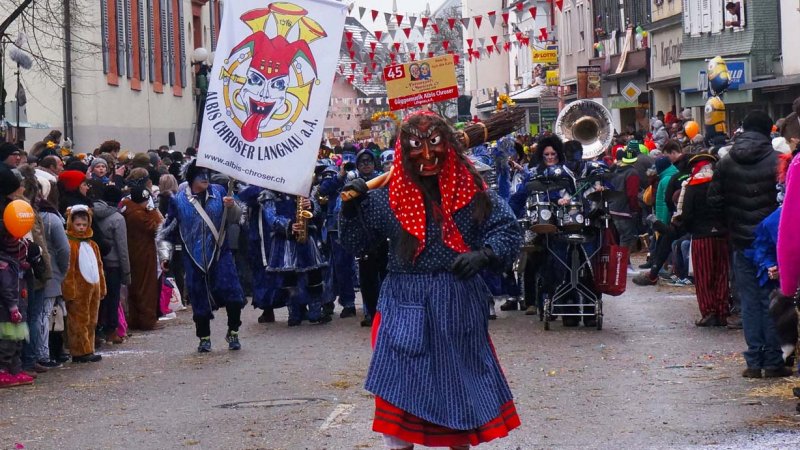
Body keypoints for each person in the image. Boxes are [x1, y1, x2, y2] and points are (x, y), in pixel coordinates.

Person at [340, 111, 521, 448]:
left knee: (459, 386)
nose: (426, 155)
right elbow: (357, 244)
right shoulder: (387, 197)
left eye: (434, 144)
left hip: (457, 302)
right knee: (397, 385)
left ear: (448, 146)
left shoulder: (471, 190)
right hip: (402, 303)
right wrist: (351, 210)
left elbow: (507, 229)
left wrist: (484, 254)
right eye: (416, 146)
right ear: (403, 151)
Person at [708, 110, 789, 378]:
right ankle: (774, 361)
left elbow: (714, 201)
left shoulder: (726, 162)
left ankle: (754, 361)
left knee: (750, 302)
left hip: (741, 242)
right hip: (772, 246)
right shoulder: (778, 161)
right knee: (773, 299)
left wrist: (729, 229)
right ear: (768, 131)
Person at [157, 161, 245, 352]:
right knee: (199, 299)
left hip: (220, 253)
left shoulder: (220, 192)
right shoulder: (178, 201)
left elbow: (237, 219)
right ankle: (204, 338)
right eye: (200, 175)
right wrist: (165, 257)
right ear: (191, 178)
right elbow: (166, 231)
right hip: (193, 257)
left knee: (233, 295)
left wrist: (232, 207)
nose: (205, 178)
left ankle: (233, 332)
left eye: (207, 174)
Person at [61, 205, 106, 363]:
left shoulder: (93, 244)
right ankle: (80, 351)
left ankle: (89, 347)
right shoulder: (71, 244)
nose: (81, 228)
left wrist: (102, 287)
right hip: (79, 290)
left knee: (92, 319)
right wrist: (69, 291)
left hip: (93, 287)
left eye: (84, 225)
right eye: (78, 224)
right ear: (70, 223)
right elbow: (69, 270)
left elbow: (99, 266)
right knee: (78, 320)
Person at [122, 186, 163, 331]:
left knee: (135, 287)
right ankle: (147, 320)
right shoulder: (140, 215)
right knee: (147, 288)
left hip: (133, 253)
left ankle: (135, 319)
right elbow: (157, 227)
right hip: (144, 254)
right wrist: (153, 211)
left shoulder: (127, 210)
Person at [93, 186, 131, 343]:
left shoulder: (92, 213)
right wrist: (127, 271)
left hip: (96, 260)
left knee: (98, 299)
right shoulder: (117, 218)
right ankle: (111, 331)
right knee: (113, 298)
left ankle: (97, 331)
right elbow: (122, 246)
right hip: (113, 263)